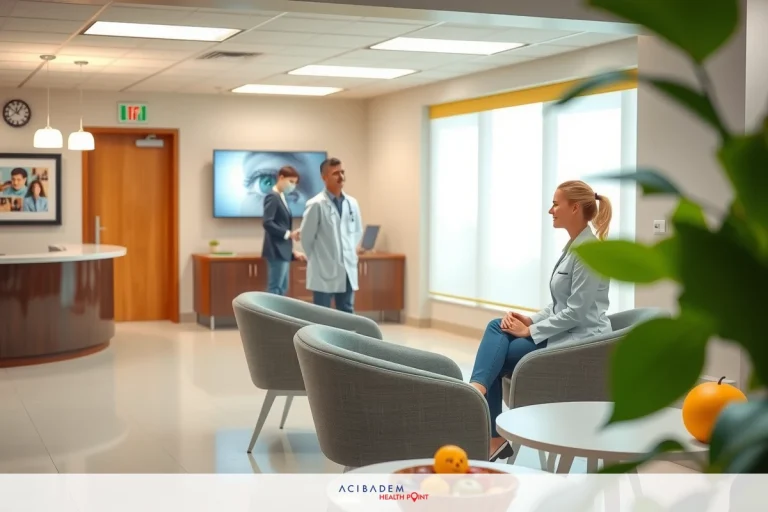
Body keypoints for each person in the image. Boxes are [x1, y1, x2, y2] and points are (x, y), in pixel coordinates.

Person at [469, 180, 613, 460]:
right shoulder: (574, 247)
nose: (551, 210)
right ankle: (484, 408)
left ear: (574, 208)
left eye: (556, 204)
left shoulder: (590, 253)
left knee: (496, 355)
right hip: (562, 332)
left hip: (579, 343)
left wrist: (530, 331)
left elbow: (577, 313)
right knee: (498, 327)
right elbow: (559, 304)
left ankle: (482, 406)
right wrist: (529, 319)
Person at [299, 157, 363, 313]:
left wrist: (349, 252)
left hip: (347, 267)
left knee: (347, 312)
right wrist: (319, 259)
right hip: (323, 270)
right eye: (335, 173)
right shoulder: (316, 204)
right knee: (322, 315)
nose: (341, 177)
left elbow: (357, 231)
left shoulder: (352, 203)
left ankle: (346, 339)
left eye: (342, 172)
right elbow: (306, 238)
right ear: (324, 177)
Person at [262, 166, 306, 295]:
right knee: (275, 289)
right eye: (291, 181)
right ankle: (268, 316)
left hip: (283, 251)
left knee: (282, 289)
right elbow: (267, 222)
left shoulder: (281, 197)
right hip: (276, 251)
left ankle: (277, 316)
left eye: (295, 183)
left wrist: (292, 251)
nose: (293, 186)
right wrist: (289, 234)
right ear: (281, 178)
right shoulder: (273, 196)